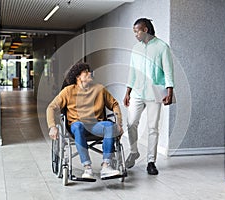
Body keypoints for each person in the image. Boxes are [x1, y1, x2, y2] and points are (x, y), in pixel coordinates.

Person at [47, 62, 124, 179]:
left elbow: (114, 104)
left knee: (109, 125)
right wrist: (52, 126)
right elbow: (51, 107)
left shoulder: (99, 89)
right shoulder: (68, 91)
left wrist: (118, 123)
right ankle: (87, 168)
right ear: (78, 77)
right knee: (78, 126)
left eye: (89, 71)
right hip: (77, 127)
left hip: (95, 126)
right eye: (86, 72)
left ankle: (106, 166)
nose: (89, 74)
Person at [124, 18, 175, 175]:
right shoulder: (135, 49)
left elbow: (168, 71)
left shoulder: (162, 47)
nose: (135, 34)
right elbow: (132, 71)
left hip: (155, 93)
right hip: (138, 92)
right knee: (131, 123)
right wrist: (127, 91)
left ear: (145, 30)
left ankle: (151, 162)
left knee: (153, 128)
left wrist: (169, 92)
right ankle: (134, 152)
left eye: (136, 31)